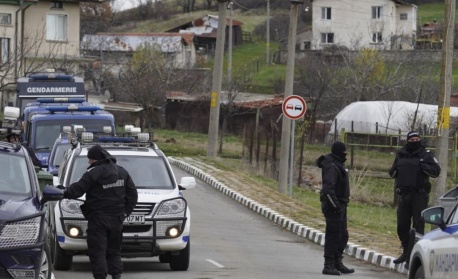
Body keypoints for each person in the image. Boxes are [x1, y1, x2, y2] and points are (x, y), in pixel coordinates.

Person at [60, 145, 138, 279]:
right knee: (114, 251)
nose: (88, 162)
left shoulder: (93, 173)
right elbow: (133, 195)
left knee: (98, 252)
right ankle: (116, 275)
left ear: (94, 159)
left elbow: (77, 190)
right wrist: (125, 213)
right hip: (117, 219)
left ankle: (100, 276)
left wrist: (62, 192)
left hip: (98, 220)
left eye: (89, 159)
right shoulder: (122, 172)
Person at [389, 131, 440, 264]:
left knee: (418, 226)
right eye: (412, 139)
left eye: (417, 139)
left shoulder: (426, 154)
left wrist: (423, 167)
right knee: (402, 226)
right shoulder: (401, 154)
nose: (415, 141)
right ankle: (406, 252)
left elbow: (436, 171)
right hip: (403, 195)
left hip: (419, 195)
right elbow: (393, 171)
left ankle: (416, 255)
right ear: (408, 140)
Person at [316, 141, 354, 276]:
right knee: (333, 234)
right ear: (339, 152)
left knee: (343, 235)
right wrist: (336, 206)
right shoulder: (332, 166)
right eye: (344, 153)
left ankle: (338, 261)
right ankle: (328, 264)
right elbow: (328, 190)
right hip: (333, 205)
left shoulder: (337, 164)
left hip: (341, 203)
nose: (346, 155)